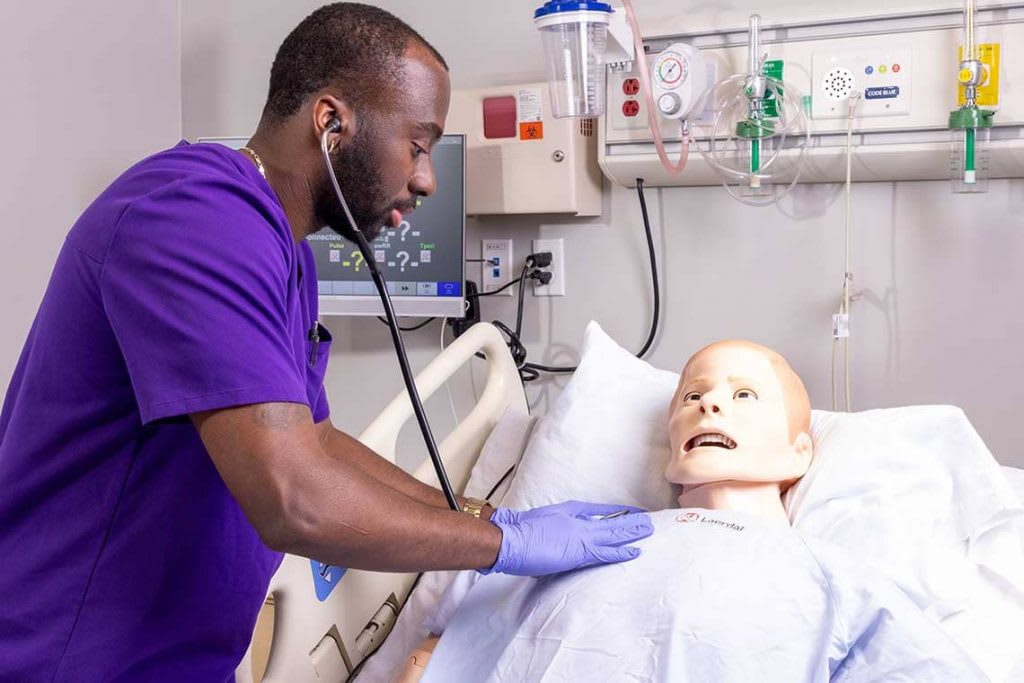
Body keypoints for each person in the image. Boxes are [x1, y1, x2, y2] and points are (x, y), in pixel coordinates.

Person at [0, 5, 652, 681]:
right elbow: (293, 495)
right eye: (418, 144)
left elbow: (318, 441)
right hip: (64, 657)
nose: (426, 178)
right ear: (332, 122)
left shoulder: (281, 253)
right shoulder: (194, 220)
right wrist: (501, 544)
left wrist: (487, 512)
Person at [409, 340, 987, 682]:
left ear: (799, 451)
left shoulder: (830, 574)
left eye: (743, 396)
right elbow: (437, 653)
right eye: (692, 396)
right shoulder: (576, 537)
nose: (709, 401)